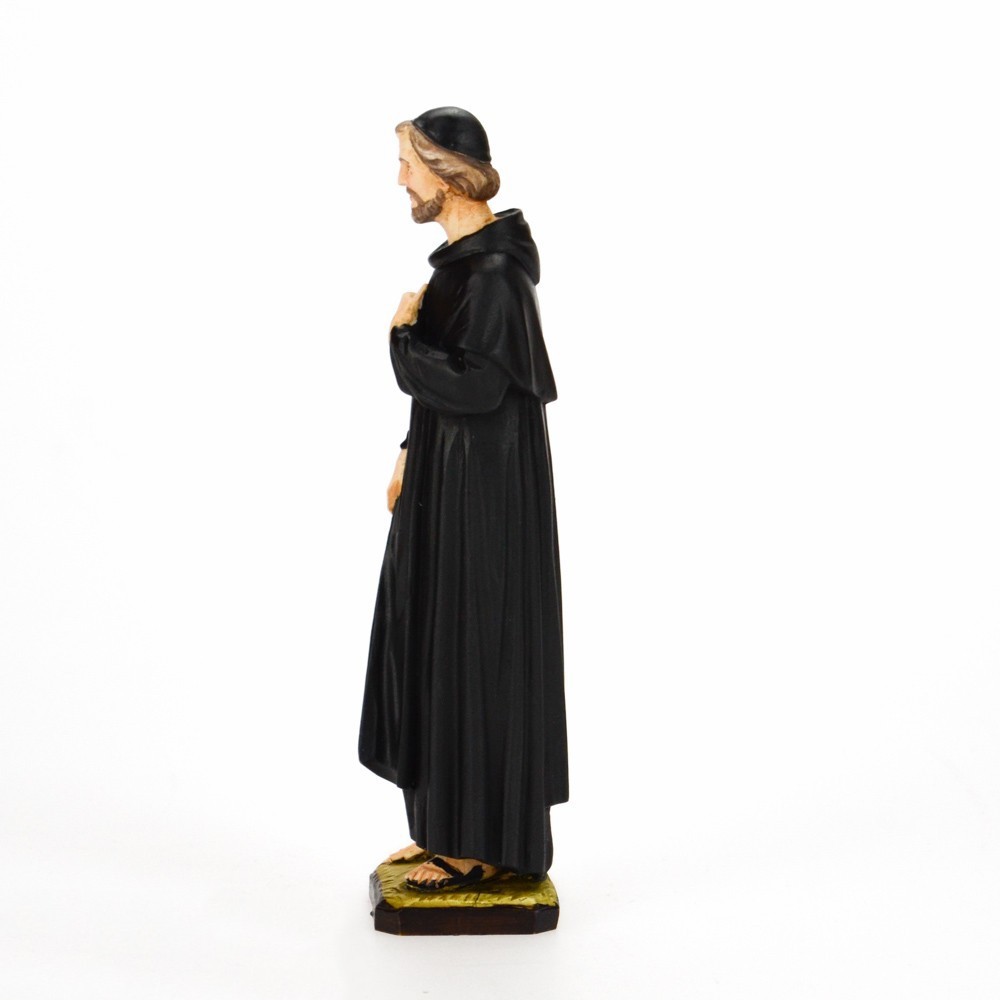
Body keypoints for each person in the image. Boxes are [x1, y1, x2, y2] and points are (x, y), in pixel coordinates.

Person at [359, 107, 568, 891]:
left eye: (409, 165)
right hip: (452, 488)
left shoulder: (495, 277)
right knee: (437, 647)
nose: (401, 181)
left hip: (485, 508)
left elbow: (479, 386)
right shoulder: (464, 268)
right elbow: (461, 388)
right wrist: (412, 449)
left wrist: (402, 341)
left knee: (478, 651)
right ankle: (446, 828)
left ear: (448, 174)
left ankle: (481, 846)